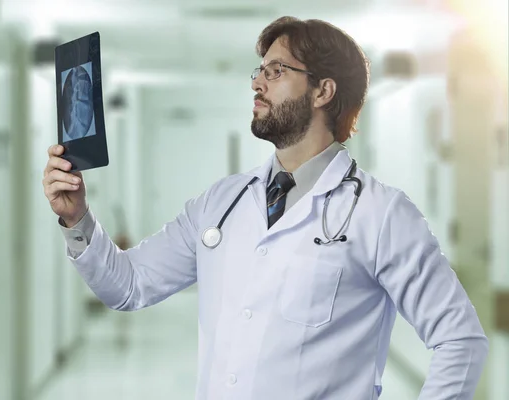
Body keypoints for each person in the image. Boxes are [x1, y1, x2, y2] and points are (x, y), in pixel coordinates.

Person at [42, 16, 488, 400]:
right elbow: (128, 286)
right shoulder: (222, 202)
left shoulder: (382, 214)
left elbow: (460, 340)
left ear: (322, 91)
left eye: (276, 71)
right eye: (260, 70)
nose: (257, 82)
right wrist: (77, 218)